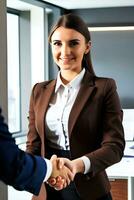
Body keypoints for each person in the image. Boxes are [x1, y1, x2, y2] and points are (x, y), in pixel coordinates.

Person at [26, 13, 125, 200]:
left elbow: (115, 146)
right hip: (47, 188)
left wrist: (76, 165)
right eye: (57, 43)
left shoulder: (104, 88)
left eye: (73, 43)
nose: (65, 51)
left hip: (90, 189)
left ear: (87, 47)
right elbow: (33, 146)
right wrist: (40, 172)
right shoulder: (38, 91)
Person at [0, 107, 73, 195]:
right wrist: (50, 169)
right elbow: (11, 162)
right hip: (48, 179)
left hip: (80, 180)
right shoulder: (38, 93)